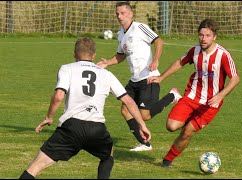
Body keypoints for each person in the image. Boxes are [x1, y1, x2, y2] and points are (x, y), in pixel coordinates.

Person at [19, 37, 151, 179]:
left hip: (71, 127)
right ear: (93, 55)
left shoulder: (67, 68)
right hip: (96, 129)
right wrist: (142, 125)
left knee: (36, 166)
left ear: (74, 54)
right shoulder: (106, 74)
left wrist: (49, 117)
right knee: (108, 155)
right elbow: (128, 101)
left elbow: (58, 96)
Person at [147, 19, 240, 167]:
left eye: (208, 35)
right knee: (171, 126)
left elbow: (235, 78)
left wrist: (221, 95)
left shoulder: (223, 55)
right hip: (191, 97)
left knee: (187, 132)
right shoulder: (195, 51)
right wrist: (161, 77)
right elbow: (180, 62)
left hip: (210, 103)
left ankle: (167, 161)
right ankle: (178, 103)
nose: (203, 39)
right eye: (201, 35)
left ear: (214, 36)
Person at [96, 1, 181, 152]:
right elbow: (121, 56)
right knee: (125, 109)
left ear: (130, 13)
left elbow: (159, 41)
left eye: (122, 13)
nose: (119, 16)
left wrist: (155, 60)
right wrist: (107, 63)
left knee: (145, 116)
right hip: (134, 80)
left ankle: (172, 96)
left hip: (149, 77)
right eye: (117, 14)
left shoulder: (140, 28)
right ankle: (145, 143)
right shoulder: (121, 34)